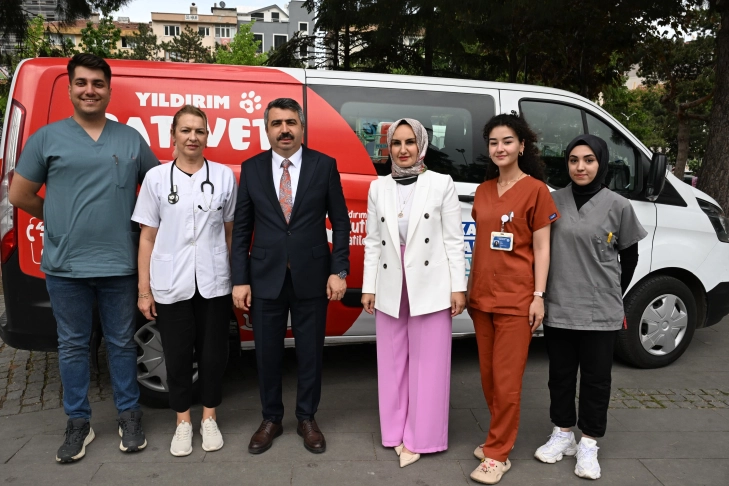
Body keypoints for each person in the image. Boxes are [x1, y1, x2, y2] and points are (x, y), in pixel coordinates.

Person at [8, 53, 159, 463]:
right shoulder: (47, 138)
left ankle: (129, 416)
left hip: (119, 264)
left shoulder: (130, 140)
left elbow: (158, 187)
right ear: (71, 88)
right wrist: (56, 217)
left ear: (108, 90)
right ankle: (78, 422)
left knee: (122, 344)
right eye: (81, 83)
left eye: (97, 83)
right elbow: (19, 194)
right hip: (66, 265)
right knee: (73, 346)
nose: (89, 90)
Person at [231, 98, 350, 455]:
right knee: (266, 354)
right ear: (267, 129)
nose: (284, 129)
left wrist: (338, 270)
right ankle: (271, 418)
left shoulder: (324, 165)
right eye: (276, 123)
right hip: (264, 277)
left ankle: (307, 418)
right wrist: (240, 278)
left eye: (291, 122)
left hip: (312, 276)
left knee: (310, 353)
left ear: (302, 127)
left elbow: (341, 222)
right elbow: (242, 229)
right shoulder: (251, 168)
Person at [534, 134, 647, 480]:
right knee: (560, 376)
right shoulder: (552, 200)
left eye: (588, 160)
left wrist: (610, 293)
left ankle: (589, 443)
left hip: (600, 311)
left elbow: (629, 257)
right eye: (573, 160)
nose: (580, 167)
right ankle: (562, 433)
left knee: (597, 380)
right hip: (560, 306)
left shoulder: (619, 206)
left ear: (602, 163)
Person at [132, 105, 237, 457]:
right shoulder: (156, 179)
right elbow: (147, 236)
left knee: (213, 354)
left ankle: (209, 417)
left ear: (207, 136)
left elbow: (230, 232)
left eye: (199, 131)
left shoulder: (223, 177)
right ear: (173, 135)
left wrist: (234, 276)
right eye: (186, 130)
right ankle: (182, 422)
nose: (193, 137)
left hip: (213, 282)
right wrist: (144, 290)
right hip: (171, 281)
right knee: (176, 355)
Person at [361, 118, 467, 468]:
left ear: (421, 145)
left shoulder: (441, 183)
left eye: (410, 142)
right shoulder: (378, 187)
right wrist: (369, 287)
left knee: (429, 363)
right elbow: (373, 241)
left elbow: (454, 240)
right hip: (391, 279)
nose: (403, 149)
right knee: (391, 361)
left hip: (430, 281)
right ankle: (394, 432)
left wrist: (458, 287)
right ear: (388, 147)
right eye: (396, 143)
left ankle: (422, 436)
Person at [467, 113, 560, 484]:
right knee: (489, 379)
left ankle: (498, 454)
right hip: (481, 298)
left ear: (522, 146)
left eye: (507, 141)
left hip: (517, 298)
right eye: (493, 142)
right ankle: (497, 436)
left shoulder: (536, 190)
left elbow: (542, 247)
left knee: (507, 382)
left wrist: (538, 296)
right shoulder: (483, 191)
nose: (499, 148)